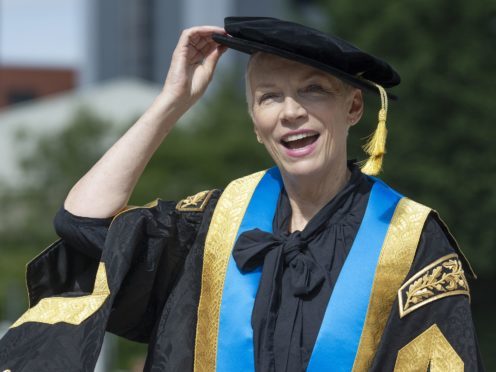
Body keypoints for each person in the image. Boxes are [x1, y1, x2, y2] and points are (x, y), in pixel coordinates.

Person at [0, 17, 484, 372]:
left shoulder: (410, 238)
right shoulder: (214, 221)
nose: (289, 111)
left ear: (353, 106)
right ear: (255, 123)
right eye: (269, 96)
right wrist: (174, 102)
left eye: (312, 90)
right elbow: (83, 223)